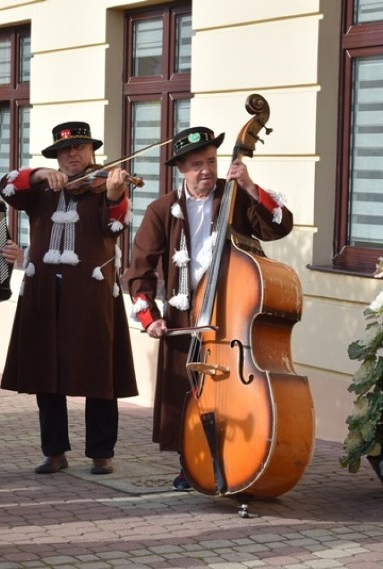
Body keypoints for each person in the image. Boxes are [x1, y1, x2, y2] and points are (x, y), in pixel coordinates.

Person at [123, 126, 293, 490]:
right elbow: (138, 271)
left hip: (232, 308)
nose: (206, 170)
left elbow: (281, 225)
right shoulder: (160, 210)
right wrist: (149, 317)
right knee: (188, 391)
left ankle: (239, 457)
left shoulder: (235, 197)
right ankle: (192, 463)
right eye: (197, 164)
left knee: (232, 389)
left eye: (212, 161)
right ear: (181, 168)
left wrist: (249, 185)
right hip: (184, 314)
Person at [0, 121, 138, 476]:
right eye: (64, 150)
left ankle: (101, 452)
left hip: (91, 293)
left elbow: (116, 227)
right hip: (45, 292)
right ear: (56, 157)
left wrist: (114, 195)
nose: (72, 154)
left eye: (79, 148)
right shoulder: (42, 189)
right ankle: (54, 451)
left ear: (92, 152)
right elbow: (7, 188)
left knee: (99, 373)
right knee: (47, 373)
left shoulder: (105, 187)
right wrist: (41, 174)